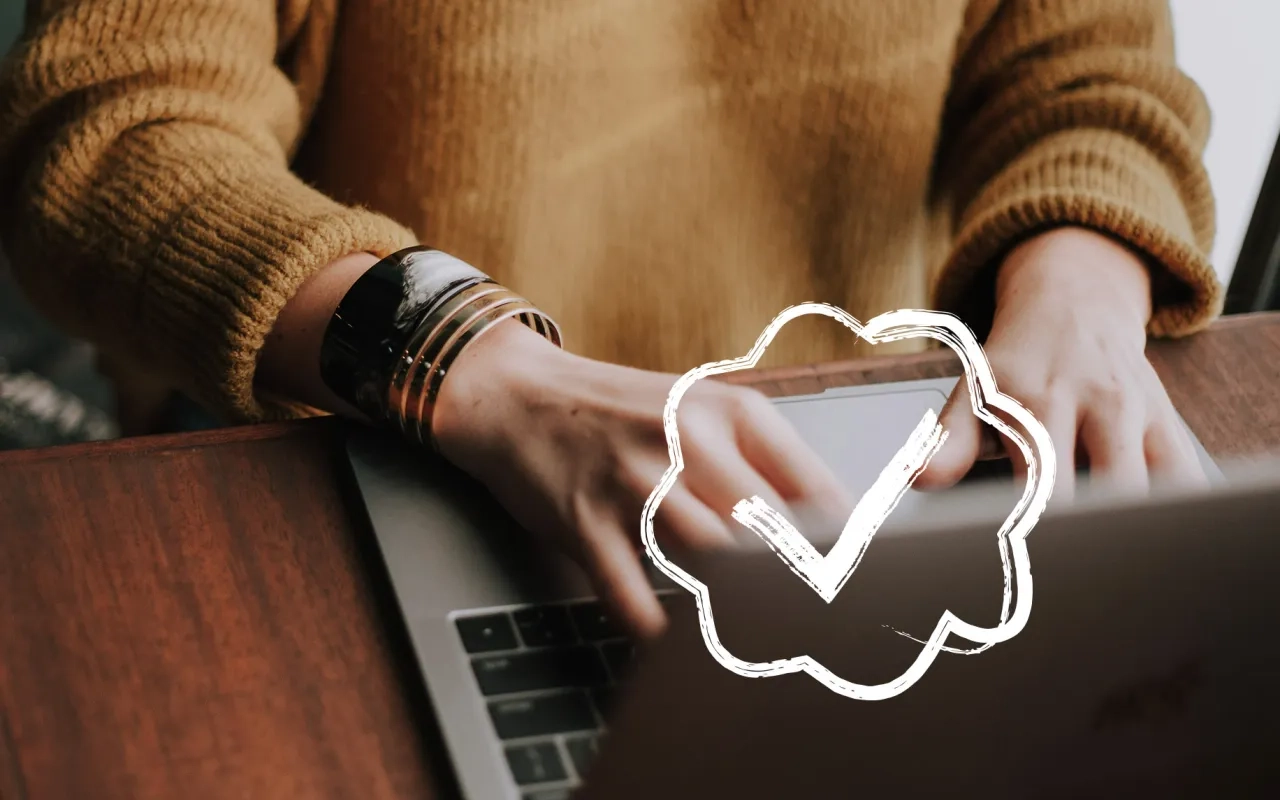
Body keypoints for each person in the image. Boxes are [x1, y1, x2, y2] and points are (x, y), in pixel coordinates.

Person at [0, 0, 1220, 636]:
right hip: (389, 461)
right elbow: (115, 128)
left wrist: (1080, 294)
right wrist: (472, 363)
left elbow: (1092, 74)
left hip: (864, 490)